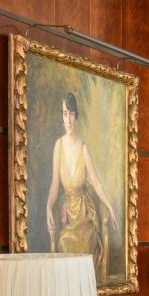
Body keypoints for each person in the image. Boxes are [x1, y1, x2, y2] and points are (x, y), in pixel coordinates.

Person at [46, 92, 120, 279]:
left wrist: (111, 208)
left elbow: (96, 183)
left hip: (85, 216)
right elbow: (55, 183)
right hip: (68, 217)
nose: (68, 119)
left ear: (76, 116)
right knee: (64, 243)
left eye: (71, 113)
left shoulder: (84, 148)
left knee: (87, 245)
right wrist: (48, 206)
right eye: (64, 113)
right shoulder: (58, 146)